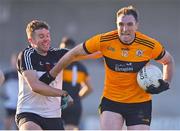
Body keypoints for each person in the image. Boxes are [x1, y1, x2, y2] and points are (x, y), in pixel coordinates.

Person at [49, 5, 175, 130]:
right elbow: (73, 53)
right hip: (112, 101)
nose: (125, 29)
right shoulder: (104, 40)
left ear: (137, 25)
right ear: (116, 24)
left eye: (130, 24)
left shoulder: (149, 45)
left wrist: (166, 83)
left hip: (140, 104)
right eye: (120, 24)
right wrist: (51, 74)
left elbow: (168, 61)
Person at [15, 20, 73, 130]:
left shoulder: (58, 54)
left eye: (47, 35)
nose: (46, 39)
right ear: (31, 40)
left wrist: (102, 50)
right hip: (30, 114)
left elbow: (81, 52)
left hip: (54, 116)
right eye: (41, 36)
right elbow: (35, 86)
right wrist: (63, 93)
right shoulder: (27, 55)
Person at [59, 37, 93, 130]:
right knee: (71, 128)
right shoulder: (81, 67)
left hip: (59, 102)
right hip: (75, 104)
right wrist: (77, 97)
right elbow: (89, 88)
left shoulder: (59, 64)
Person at [1, 53, 18, 130]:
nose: (15, 63)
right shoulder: (7, 75)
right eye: (14, 61)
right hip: (10, 104)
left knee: (20, 126)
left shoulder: (25, 75)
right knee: (7, 126)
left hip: (20, 105)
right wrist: (3, 96)